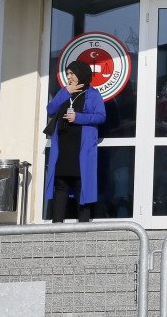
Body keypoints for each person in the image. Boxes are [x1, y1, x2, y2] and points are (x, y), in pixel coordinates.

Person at [45, 60, 106, 223]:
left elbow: (101, 116)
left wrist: (78, 117)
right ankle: (57, 224)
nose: (69, 77)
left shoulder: (93, 94)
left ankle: (83, 224)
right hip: (63, 146)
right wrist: (65, 92)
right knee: (61, 183)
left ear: (82, 74)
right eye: (68, 74)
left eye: (72, 73)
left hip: (81, 146)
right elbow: (50, 110)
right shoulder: (64, 91)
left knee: (82, 183)